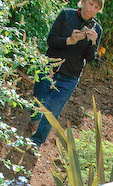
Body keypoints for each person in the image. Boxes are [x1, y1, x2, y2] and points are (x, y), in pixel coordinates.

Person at [29, 0, 103, 147]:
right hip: (49, 68)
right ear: (83, 3)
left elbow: (89, 58)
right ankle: (34, 121)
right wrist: (70, 40)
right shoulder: (66, 15)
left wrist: (92, 43)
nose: (91, 9)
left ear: (98, 11)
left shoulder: (97, 30)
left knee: (53, 111)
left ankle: (36, 142)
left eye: (96, 7)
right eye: (90, 3)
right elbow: (51, 40)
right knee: (39, 101)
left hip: (70, 77)